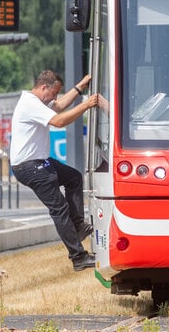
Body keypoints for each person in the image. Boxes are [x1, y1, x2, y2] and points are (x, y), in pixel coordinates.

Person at [10, 70, 102, 271]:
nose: (55, 98)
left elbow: (59, 106)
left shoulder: (38, 101)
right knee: (59, 209)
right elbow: (59, 121)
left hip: (39, 162)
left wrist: (80, 86)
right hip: (30, 167)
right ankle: (78, 257)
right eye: (54, 93)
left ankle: (78, 226)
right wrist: (86, 105)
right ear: (44, 87)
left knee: (74, 178)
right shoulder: (30, 104)